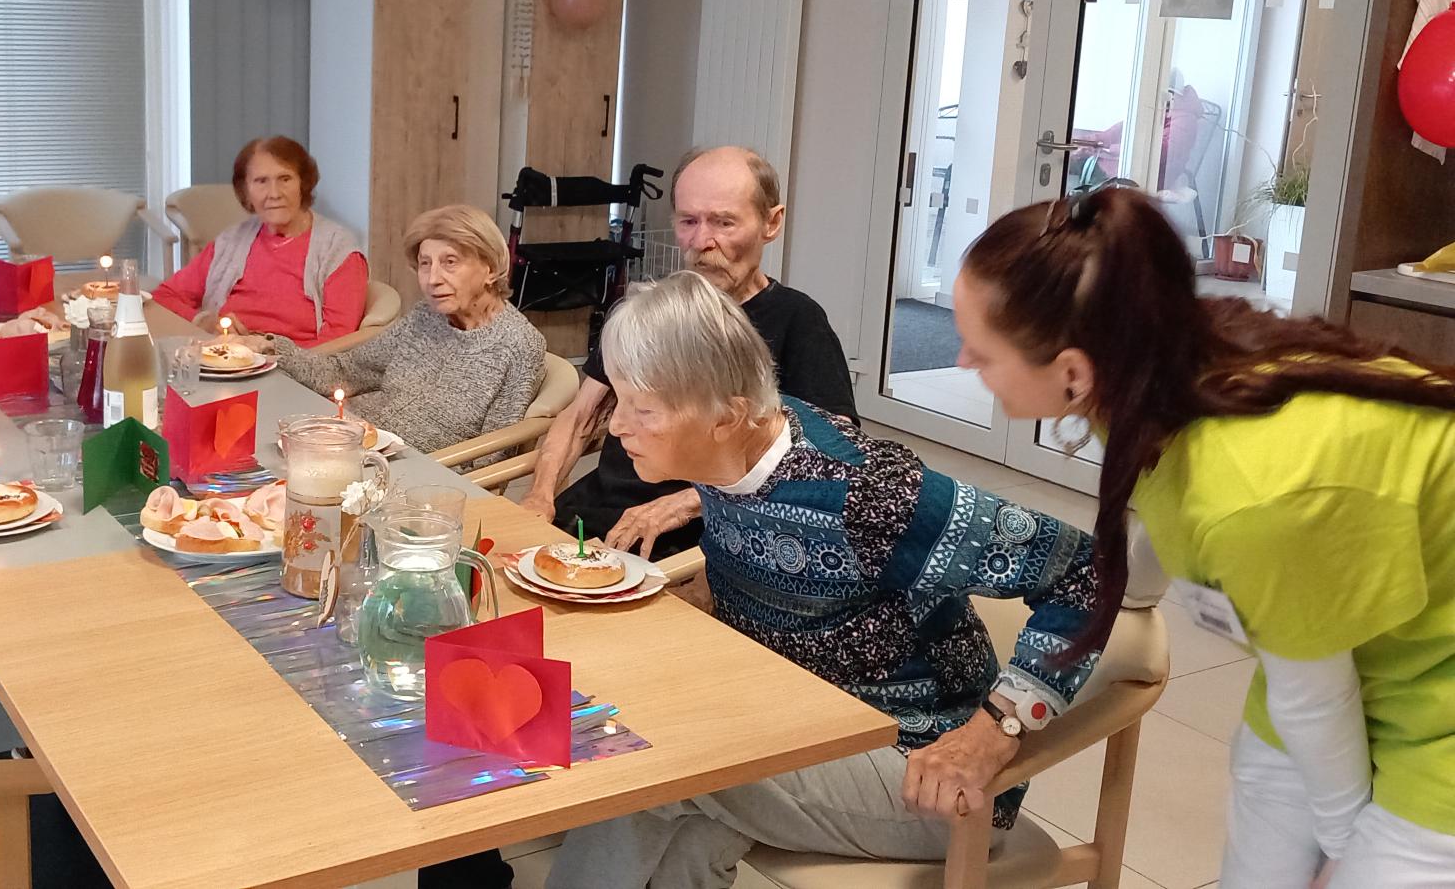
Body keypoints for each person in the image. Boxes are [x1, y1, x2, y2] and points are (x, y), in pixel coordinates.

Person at [954, 186, 1455, 889]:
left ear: (1071, 371)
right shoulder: (1148, 374)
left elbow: (1317, 697)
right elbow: (1161, 545)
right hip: (1350, 658)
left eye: (981, 352)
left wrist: (1340, 853)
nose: (962, 363)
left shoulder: (1253, 491)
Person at [546, 272, 1100, 889]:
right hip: (803, 720)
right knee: (674, 814)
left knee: (648, 765)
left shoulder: (869, 494)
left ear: (727, 415)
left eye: (642, 409)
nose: (616, 427)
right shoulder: (725, 449)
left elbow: (1089, 570)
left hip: (920, 761)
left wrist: (997, 730)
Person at [518, 146, 856, 559]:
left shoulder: (798, 320)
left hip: (694, 540)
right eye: (688, 221)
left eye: (724, 222)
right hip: (593, 515)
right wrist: (540, 494)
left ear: (771, 222)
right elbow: (580, 417)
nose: (701, 242)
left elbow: (829, 455)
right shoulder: (649, 311)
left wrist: (683, 504)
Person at [261, 204, 543, 459]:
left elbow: (493, 454)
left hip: (411, 474)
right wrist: (271, 349)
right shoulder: (426, 315)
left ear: (490, 269)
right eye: (425, 263)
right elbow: (347, 370)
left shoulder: (518, 345)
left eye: (450, 262)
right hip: (351, 443)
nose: (433, 279)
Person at [152, 135, 368, 346]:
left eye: (285, 179)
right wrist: (204, 322)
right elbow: (165, 296)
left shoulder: (337, 249)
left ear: (303, 184)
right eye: (261, 181)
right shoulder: (231, 241)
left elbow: (339, 340)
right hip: (227, 358)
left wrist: (274, 356)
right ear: (246, 191)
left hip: (297, 366)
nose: (274, 193)